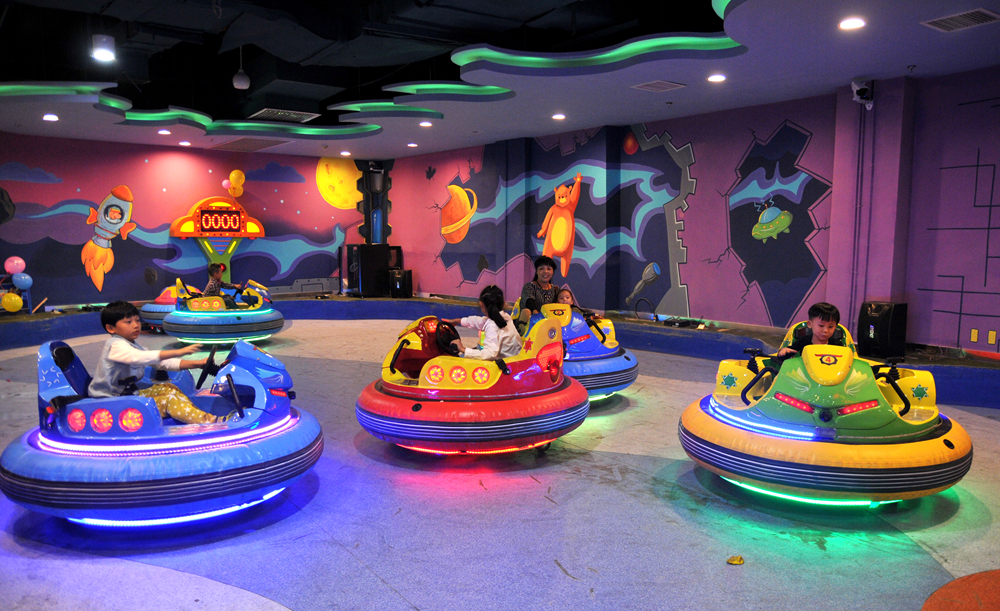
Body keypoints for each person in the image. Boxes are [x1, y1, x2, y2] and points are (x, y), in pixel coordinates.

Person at [88, 301, 225, 424]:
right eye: (128, 322)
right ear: (111, 328)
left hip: (128, 395)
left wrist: (197, 363)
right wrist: (179, 351)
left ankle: (193, 414)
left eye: (137, 320)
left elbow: (162, 363)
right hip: (111, 402)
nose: (136, 325)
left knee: (168, 387)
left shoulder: (131, 344)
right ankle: (213, 422)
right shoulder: (115, 346)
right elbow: (140, 357)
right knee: (169, 400)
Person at [443, 285, 522, 360]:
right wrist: (457, 321)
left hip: (506, 364)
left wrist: (463, 349)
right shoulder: (505, 316)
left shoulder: (492, 326)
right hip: (515, 358)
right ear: (503, 303)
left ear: (482, 305)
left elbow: (489, 354)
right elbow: (480, 321)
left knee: (462, 358)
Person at [776, 302, 842, 359]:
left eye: (830, 327)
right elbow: (784, 356)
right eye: (821, 326)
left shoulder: (837, 345)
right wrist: (783, 352)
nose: (826, 330)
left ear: (835, 327)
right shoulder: (803, 342)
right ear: (810, 324)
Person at [517, 256, 558, 330]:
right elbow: (529, 301)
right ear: (536, 271)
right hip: (531, 324)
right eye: (541, 268)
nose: (545, 271)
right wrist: (536, 314)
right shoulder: (529, 286)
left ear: (553, 272)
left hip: (551, 326)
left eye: (549, 269)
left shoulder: (556, 289)